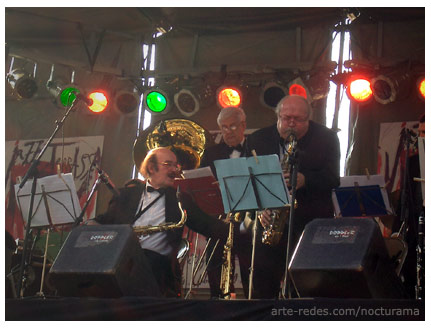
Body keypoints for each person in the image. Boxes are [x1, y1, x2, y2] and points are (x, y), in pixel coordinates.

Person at [94, 147, 232, 298]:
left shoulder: (181, 199)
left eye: (176, 165)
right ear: (152, 168)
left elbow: (209, 226)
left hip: (157, 271)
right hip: (122, 264)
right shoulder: (127, 194)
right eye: (169, 164)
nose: (175, 170)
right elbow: (104, 221)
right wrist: (87, 225)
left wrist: (237, 221)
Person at [245, 94, 341, 299]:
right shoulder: (257, 139)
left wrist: (305, 180)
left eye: (298, 119)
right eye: (286, 118)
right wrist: (260, 209)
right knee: (263, 286)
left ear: (309, 119)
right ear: (277, 116)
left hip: (309, 224)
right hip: (270, 224)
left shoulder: (327, 138)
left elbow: (333, 179)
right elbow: (248, 182)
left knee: (306, 289)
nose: (291, 123)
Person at [199, 106, 250, 298]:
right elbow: (203, 185)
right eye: (224, 127)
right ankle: (217, 305)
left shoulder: (257, 149)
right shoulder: (211, 153)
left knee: (250, 269)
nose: (228, 132)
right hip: (220, 221)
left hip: (248, 221)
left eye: (233, 126)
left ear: (243, 125)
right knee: (215, 265)